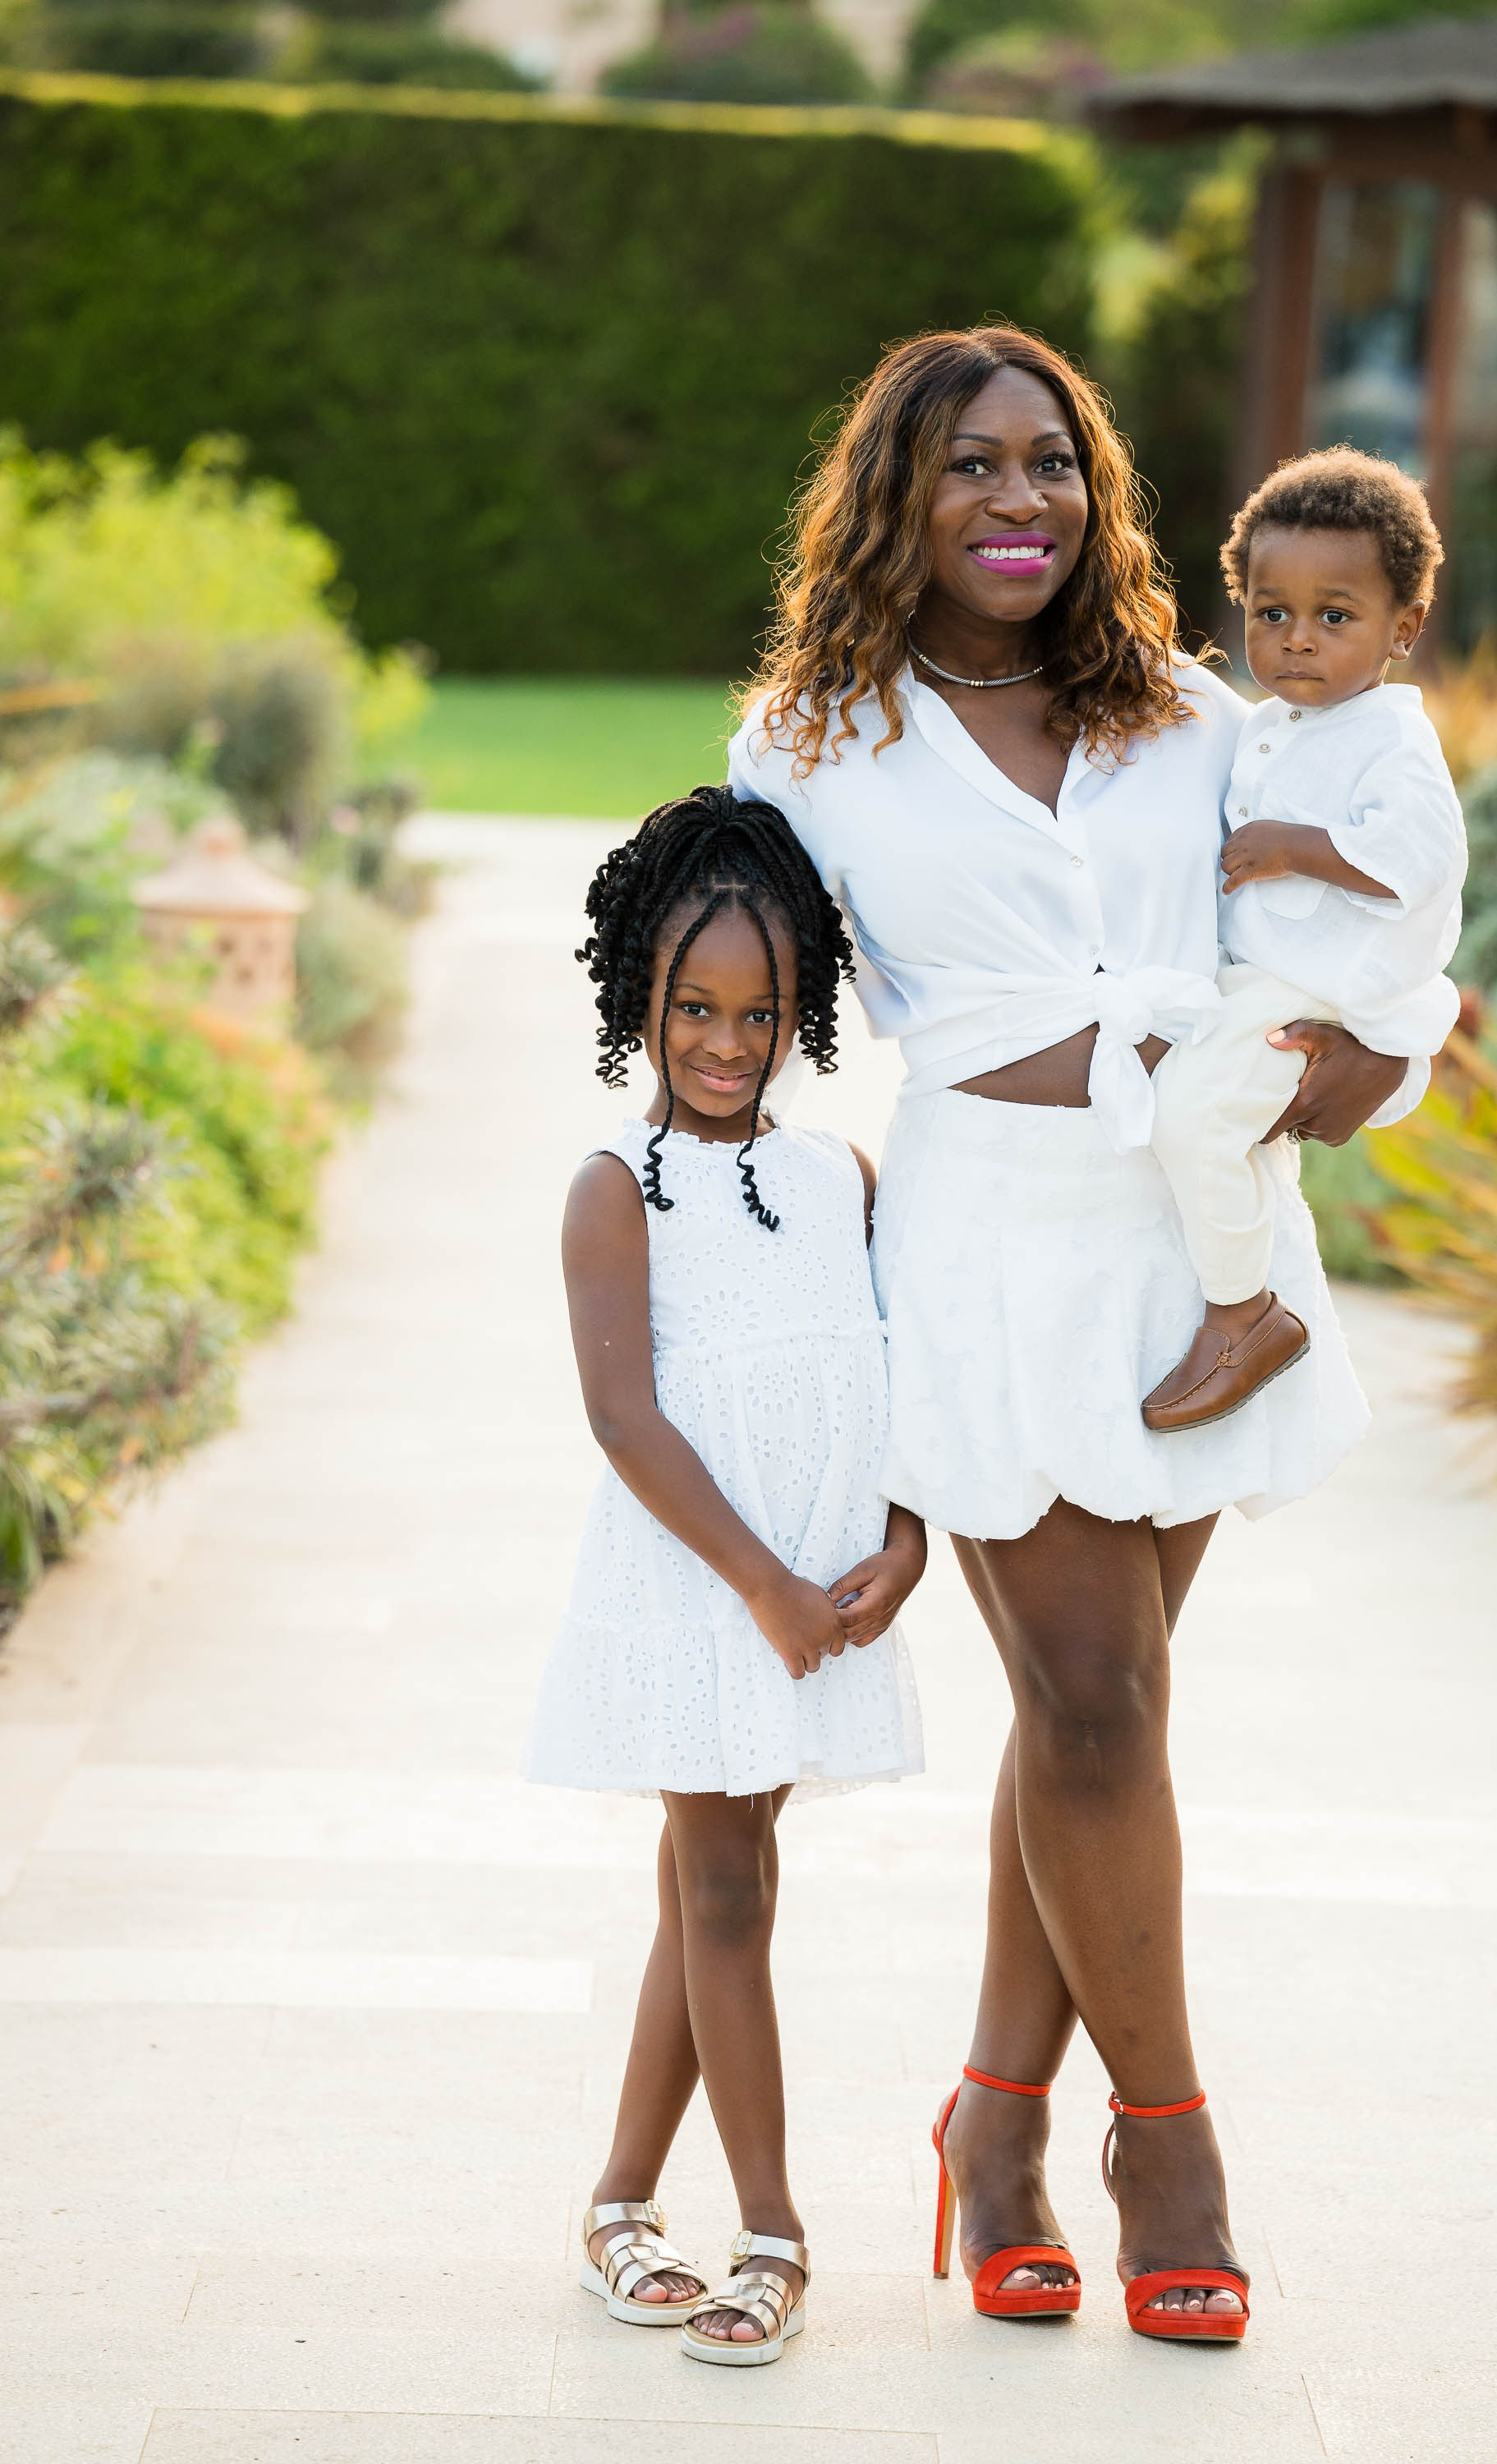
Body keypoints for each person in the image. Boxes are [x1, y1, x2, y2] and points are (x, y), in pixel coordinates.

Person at [729, 327, 1420, 2341]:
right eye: (966, 468)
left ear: (1094, 487)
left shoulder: (1205, 716)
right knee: (1101, 1694)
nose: (1015, 502)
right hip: (981, 1245)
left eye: (1047, 462)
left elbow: (1365, 908)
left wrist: (1375, 1055)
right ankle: (1168, 2144)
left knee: (1084, 1718)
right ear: (892, 496)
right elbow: (730, 1006)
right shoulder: (808, 737)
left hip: (1193, 1247)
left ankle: (994, 2120)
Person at [524, 785, 925, 2367]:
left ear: (802, 1011)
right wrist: (764, 1584)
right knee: (728, 1889)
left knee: (716, 1894)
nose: (724, 1040)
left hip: (818, 1599)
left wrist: (906, 1542)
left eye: (759, 1013)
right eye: (693, 1006)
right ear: (640, 992)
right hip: (704, 1593)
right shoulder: (615, 1188)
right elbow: (625, 1416)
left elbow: (901, 1387)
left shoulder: (845, 1179)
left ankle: (621, 2203)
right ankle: (775, 2232)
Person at [1142, 447, 1467, 1432]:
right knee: (1188, 1115)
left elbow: (1420, 862)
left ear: (1401, 628)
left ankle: (1242, 1315)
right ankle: (1240, 1289)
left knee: (1192, 1122)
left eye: (1335, 616)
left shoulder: (1389, 740)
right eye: (1269, 612)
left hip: (1316, 994)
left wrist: (1301, 848)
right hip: (1263, 982)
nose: (1295, 640)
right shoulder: (1276, 724)